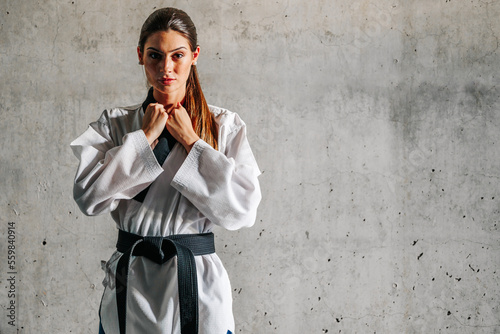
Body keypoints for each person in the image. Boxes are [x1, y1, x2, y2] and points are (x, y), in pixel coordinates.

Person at [70, 7, 261, 334]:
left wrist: (192, 141)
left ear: (195, 56)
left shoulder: (223, 125)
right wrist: (142, 139)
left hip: (197, 281)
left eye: (178, 55)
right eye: (155, 55)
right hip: (132, 282)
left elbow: (242, 211)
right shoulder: (116, 124)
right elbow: (89, 199)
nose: (166, 68)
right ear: (140, 56)